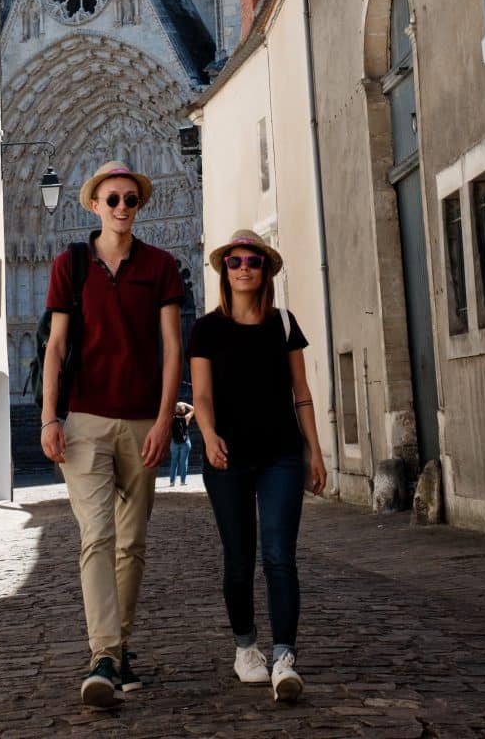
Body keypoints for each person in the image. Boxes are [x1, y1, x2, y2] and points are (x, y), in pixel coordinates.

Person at [40, 160, 185, 709]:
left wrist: (166, 418)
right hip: (85, 422)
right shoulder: (69, 265)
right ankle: (103, 653)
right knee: (96, 537)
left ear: (139, 207)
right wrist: (50, 417)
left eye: (131, 200)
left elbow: (173, 346)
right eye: (113, 199)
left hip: (144, 420)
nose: (122, 207)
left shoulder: (162, 265)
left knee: (133, 544)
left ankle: (117, 650)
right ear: (94, 205)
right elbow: (56, 347)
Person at [189, 228, 327, 705]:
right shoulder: (206, 329)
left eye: (253, 261)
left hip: (282, 455)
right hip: (226, 456)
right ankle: (246, 648)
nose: (244, 267)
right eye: (235, 261)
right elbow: (201, 395)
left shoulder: (284, 325)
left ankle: (284, 655)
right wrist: (208, 436)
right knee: (239, 560)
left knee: (279, 556)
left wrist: (316, 451)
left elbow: (302, 394)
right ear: (224, 270)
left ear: (265, 271)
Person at [168, 400, 194, 486]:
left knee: (173, 462)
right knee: (183, 462)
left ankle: (172, 482)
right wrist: (185, 403)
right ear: (183, 410)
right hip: (185, 442)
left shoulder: (171, 418)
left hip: (174, 442)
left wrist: (174, 406)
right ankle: (182, 481)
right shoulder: (186, 418)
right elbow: (194, 409)